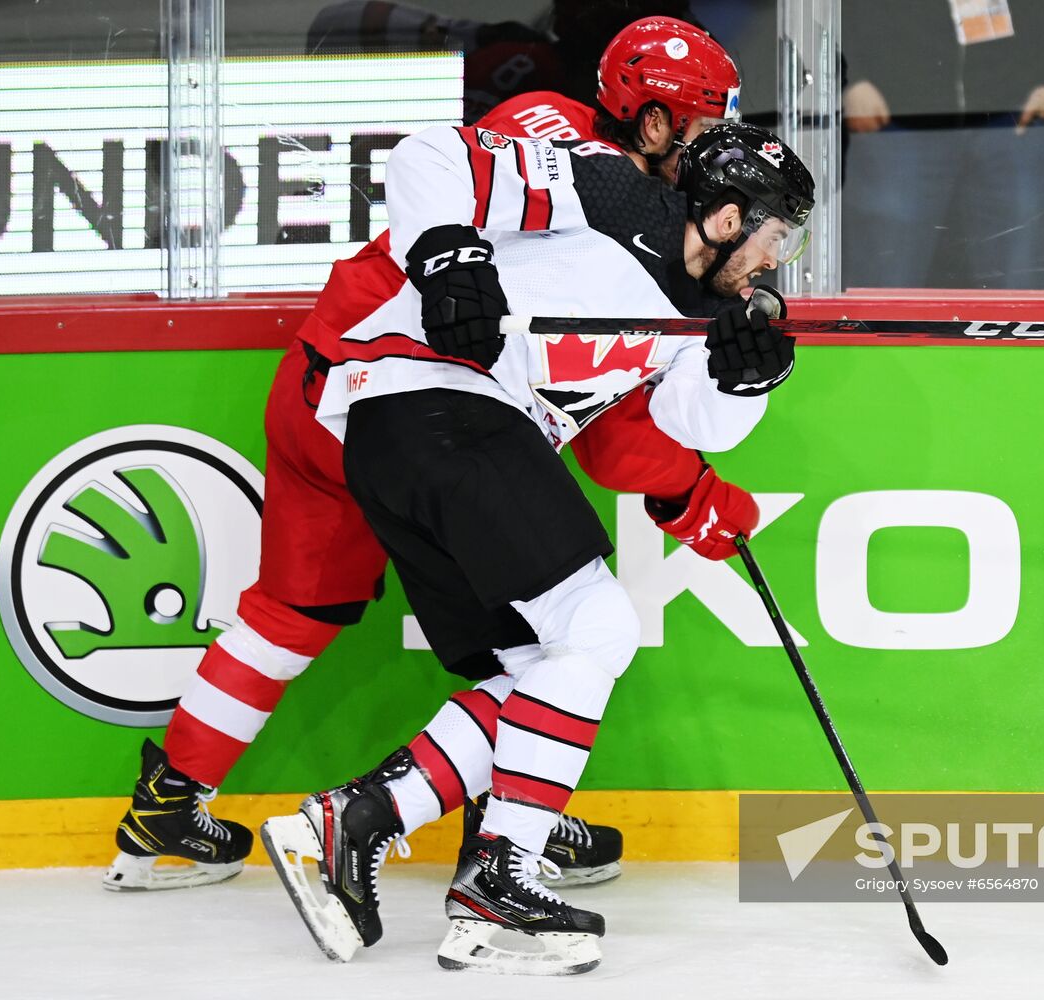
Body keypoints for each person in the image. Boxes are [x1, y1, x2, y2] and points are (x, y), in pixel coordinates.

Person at [104, 16, 752, 894]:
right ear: (656, 119)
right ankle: (504, 828)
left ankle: (167, 809)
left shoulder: (549, 128)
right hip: (423, 398)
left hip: (322, 380)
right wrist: (689, 490)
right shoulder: (608, 201)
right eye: (707, 123)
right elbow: (598, 420)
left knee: (292, 611)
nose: (717, 145)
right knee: (544, 643)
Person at [260, 119, 814, 975]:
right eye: (778, 235)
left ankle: (359, 820)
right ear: (732, 216)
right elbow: (429, 157)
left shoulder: (705, 309)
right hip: (433, 399)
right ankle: (498, 875)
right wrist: (449, 255)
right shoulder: (606, 189)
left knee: (532, 675)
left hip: (411, 440)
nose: (778, 259)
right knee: (599, 627)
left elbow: (690, 422)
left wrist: (748, 377)